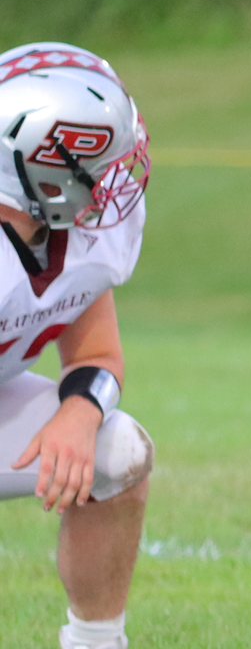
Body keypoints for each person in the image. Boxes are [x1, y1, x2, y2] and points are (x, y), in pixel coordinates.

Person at [0, 42, 157, 649]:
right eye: (105, 156)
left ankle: (96, 643)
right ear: (42, 167)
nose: (121, 172)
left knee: (117, 451)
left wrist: (80, 410)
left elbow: (98, 354)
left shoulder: (70, 230)